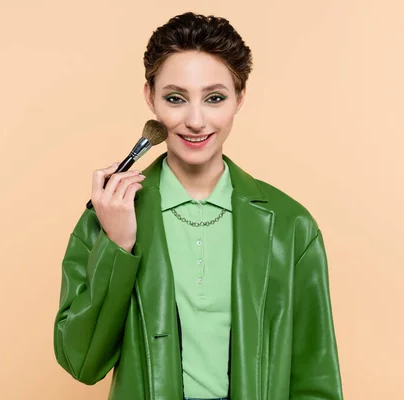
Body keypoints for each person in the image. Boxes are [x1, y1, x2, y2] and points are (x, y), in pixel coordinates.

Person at [53, 12, 343, 400]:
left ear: (240, 98)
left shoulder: (291, 225)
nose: (194, 120)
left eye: (214, 98)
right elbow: (81, 362)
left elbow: (316, 378)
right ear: (149, 97)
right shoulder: (109, 213)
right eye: (175, 98)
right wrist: (118, 248)